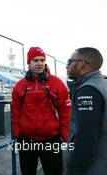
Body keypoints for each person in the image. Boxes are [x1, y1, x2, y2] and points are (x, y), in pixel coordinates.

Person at [12, 47, 71, 175]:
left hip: (51, 138)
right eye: (35, 60)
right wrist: (17, 134)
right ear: (29, 63)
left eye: (42, 60)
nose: (39, 63)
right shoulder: (20, 86)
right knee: (27, 172)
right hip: (27, 139)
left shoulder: (57, 83)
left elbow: (65, 110)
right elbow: (16, 111)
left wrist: (64, 135)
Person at [66, 47, 107, 175]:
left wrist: (74, 170)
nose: (67, 66)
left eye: (70, 61)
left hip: (94, 166)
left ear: (81, 64)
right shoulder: (102, 83)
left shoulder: (88, 90)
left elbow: (86, 139)